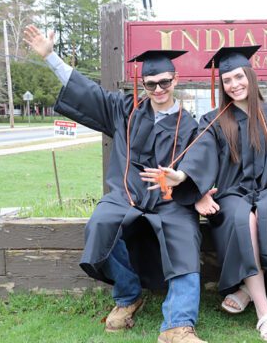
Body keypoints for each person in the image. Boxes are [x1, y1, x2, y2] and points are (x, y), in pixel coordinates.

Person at [24, 25, 206, 343]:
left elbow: (203, 157)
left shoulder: (190, 125)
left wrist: (183, 177)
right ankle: (128, 295)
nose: (159, 89)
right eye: (151, 84)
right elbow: (85, 90)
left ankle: (177, 325)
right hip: (126, 195)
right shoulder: (125, 110)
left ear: (175, 80)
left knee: (187, 236)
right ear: (143, 84)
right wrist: (51, 57)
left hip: (170, 200)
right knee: (100, 224)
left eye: (165, 82)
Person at [143, 46, 267, 341]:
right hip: (231, 193)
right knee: (243, 219)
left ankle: (247, 289)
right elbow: (199, 156)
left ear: (251, 77)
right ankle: (265, 312)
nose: (234, 85)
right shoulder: (214, 119)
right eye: (227, 80)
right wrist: (183, 179)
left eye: (239, 77)